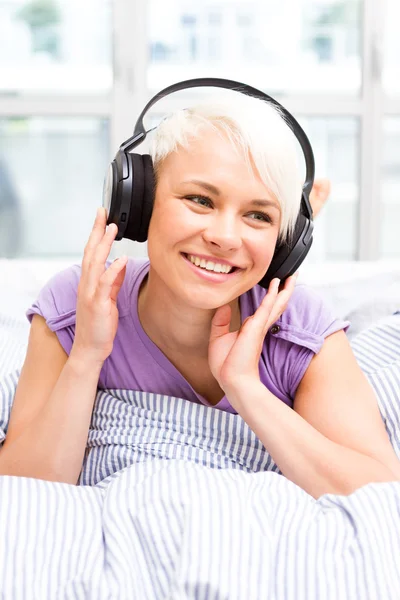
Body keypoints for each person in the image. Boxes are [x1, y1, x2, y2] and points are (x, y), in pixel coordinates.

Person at [0, 89, 399, 500]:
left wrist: (246, 388)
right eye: (200, 200)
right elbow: (23, 492)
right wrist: (85, 356)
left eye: (258, 215)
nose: (224, 237)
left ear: (287, 242)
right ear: (139, 203)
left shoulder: (300, 331)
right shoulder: (75, 305)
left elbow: (380, 495)